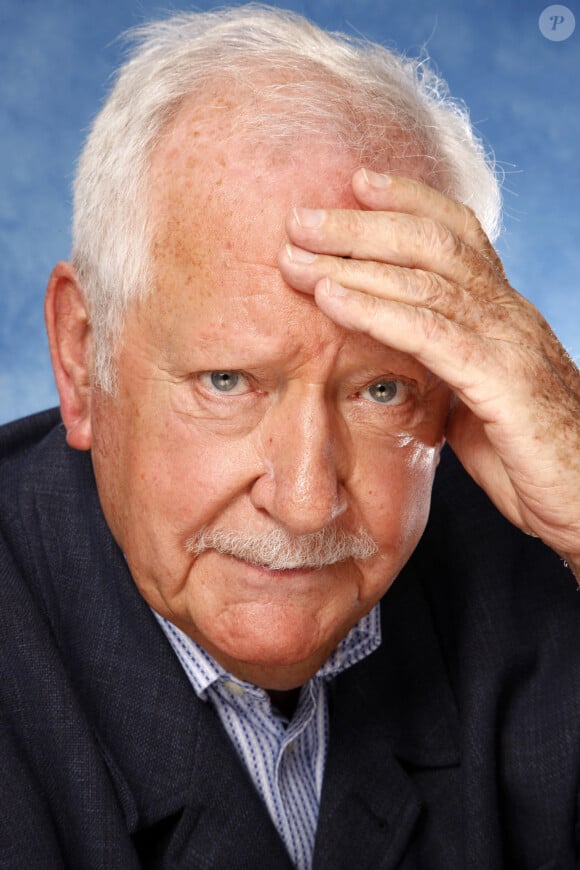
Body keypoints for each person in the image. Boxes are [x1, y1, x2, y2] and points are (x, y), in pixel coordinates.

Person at [1, 5, 579, 868]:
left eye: (382, 390)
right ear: (85, 357)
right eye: (227, 382)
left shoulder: (538, 555)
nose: (306, 501)